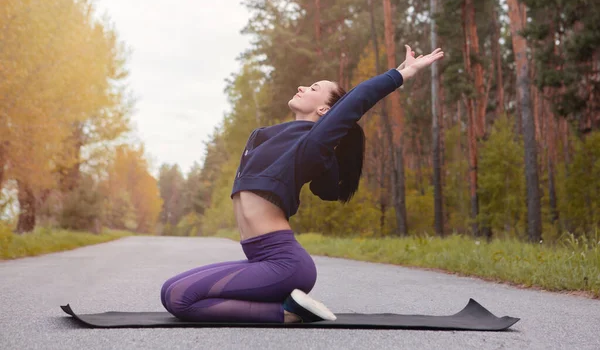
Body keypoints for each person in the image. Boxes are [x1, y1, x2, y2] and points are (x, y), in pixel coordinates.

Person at [160, 45, 444, 323]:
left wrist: (401, 74)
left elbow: (358, 100)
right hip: (262, 259)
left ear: (325, 110)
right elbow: (322, 187)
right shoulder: (273, 138)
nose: (302, 87)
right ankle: (285, 304)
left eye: (314, 88)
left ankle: (287, 314)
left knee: (180, 298)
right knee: (168, 291)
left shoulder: (313, 145)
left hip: (283, 263)